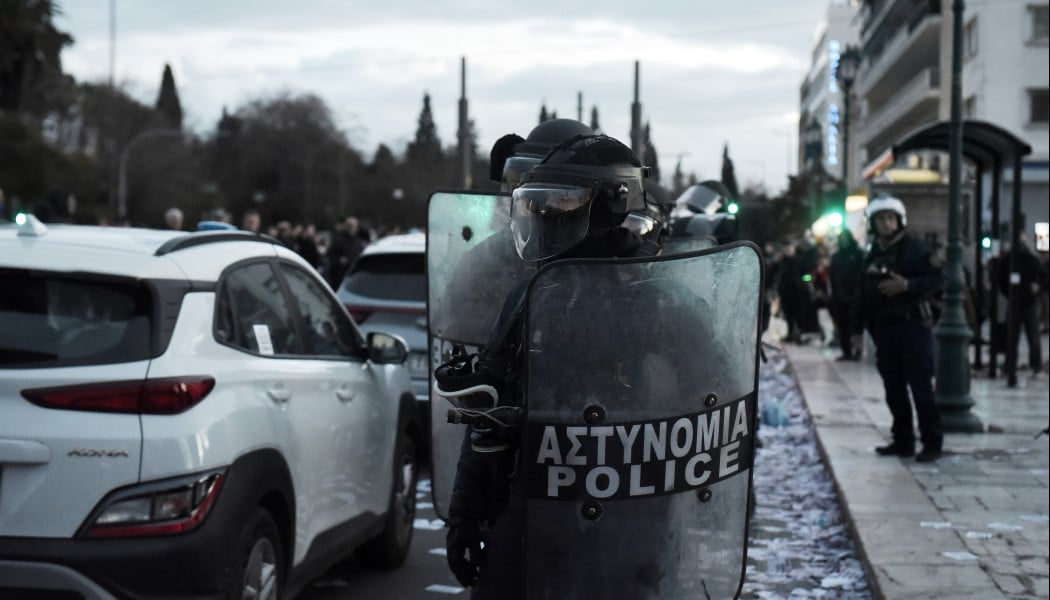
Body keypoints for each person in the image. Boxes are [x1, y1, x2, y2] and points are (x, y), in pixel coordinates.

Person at [435, 134, 755, 598]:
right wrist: (466, 514)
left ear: (611, 205)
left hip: (628, 525)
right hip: (528, 516)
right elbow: (486, 414)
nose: (547, 219)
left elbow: (723, 411)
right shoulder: (529, 297)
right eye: (539, 207)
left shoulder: (662, 301)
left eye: (563, 205)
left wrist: (724, 492)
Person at [853, 195, 944, 462]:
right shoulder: (872, 253)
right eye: (880, 219)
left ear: (899, 220)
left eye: (890, 218)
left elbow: (938, 278)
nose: (886, 224)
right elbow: (862, 293)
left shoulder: (915, 249)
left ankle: (931, 442)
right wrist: (855, 330)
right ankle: (902, 440)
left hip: (913, 327)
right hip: (884, 330)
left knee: (921, 388)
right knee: (894, 389)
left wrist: (907, 285)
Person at [997, 234, 1044, 375]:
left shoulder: (1029, 260)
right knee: (1015, 336)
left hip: (1027, 302)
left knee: (1030, 336)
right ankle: (1014, 365)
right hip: (1020, 302)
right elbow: (1001, 280)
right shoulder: (1009, 261)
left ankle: (1034, 365)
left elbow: (1041, 276)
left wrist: (1036, 287)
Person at [829, 228, 865, 360]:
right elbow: (833, 278)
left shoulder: (859, 255)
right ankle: (847, 351)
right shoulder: (836, 257)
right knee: (842, 325)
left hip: (856, 296)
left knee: (855, 326)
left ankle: (857, 351)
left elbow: (862, 276)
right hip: (840, 296)